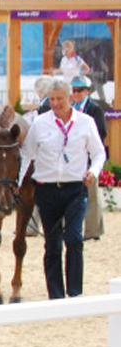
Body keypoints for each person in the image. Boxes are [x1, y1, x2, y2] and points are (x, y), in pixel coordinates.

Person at [19, 75, 105, 299]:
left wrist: (93, 172)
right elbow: (27, 154)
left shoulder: (86, 122)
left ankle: (75, 293)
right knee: (53, 243)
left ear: (70, 98)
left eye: (59, 99)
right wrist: (18, 184)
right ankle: (56, 295)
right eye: (52, 98)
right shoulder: (40, 123)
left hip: (75, 189)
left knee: (74, 239)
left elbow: (99, 153)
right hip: (47, 190)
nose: (55, 103)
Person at [71, 75, 107, 242]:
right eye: (74, 90)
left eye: (80, 90)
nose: (76, 93)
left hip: (90, 157)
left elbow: (102, 133)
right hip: (73, 158)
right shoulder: (70, 109)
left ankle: (93, 230)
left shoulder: (95, 110)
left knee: (91, 194)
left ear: (87, 91)